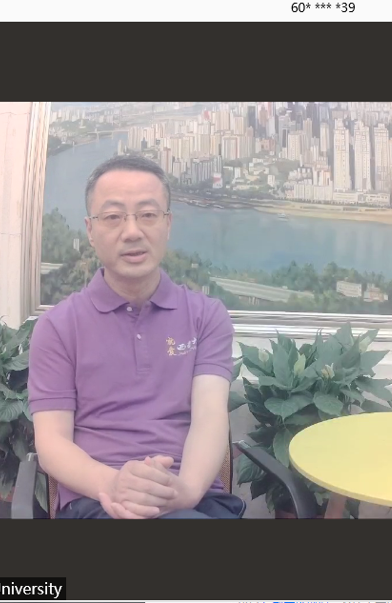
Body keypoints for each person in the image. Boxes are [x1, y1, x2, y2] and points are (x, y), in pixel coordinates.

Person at [28, 155, 245, 519]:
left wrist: (186, 492)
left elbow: (210, 418)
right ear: (90, 230)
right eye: (113, 217)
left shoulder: (206, 316)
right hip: (97, 500)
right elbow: (51, 443)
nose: (132, 231)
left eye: (147, 214)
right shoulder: (58, 326)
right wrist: (115, 484)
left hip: (194, 498)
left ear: (167, 224)